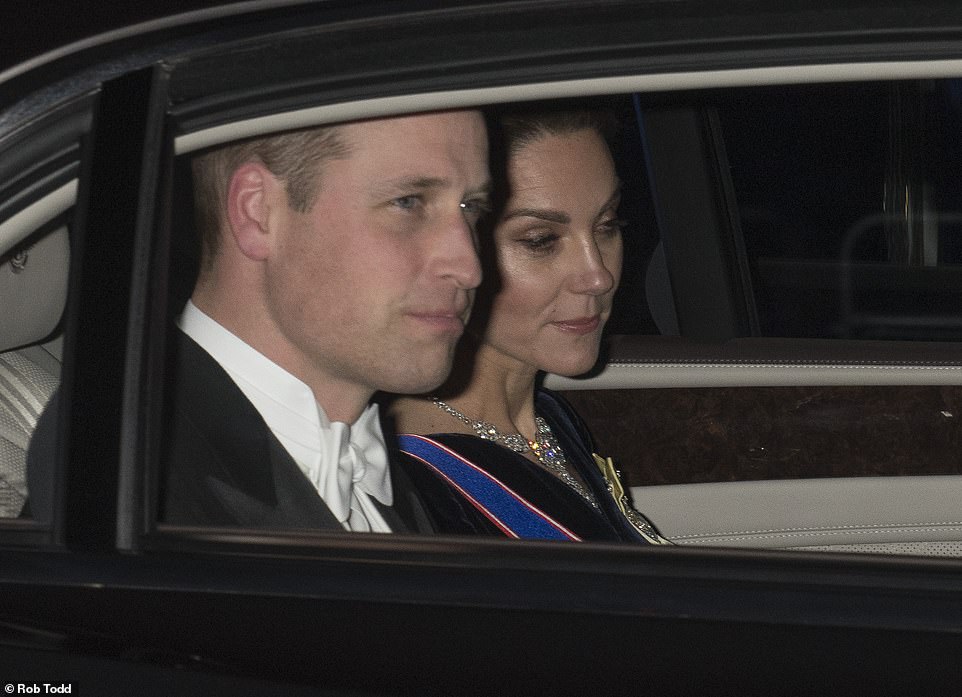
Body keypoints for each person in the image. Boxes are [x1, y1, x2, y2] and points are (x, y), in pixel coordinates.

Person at [158, 110, 491, 532]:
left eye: (472, 208)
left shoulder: (374, 474)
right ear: (257, 211)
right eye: (408, 203)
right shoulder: (130, 476)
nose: (469, 267)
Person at [388, 108, 669, 543]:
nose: (599, 276)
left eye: (607, 224)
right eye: (540, 240)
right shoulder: (417, 486)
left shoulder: (550, 420)